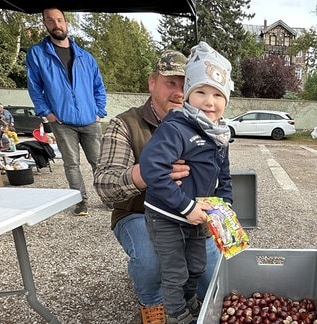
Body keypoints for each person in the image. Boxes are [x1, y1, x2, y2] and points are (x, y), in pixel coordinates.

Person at [93, 49, 220, 323]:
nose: (178, 92)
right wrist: (147, 173)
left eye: (185, 84)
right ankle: (153, 307)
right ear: (152, 83)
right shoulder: (125, 124)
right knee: (153, 261)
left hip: (188, 214)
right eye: (170, 82)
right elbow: (104, 185)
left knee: (212, 272)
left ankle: (192, 304)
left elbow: (218, 175)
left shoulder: (202, 125)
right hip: (138, 213)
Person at [139, 41, 233, 324]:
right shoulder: (177, 127)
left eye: (217, 94)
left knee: (197, 265)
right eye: (200, 92)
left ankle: (189, 299)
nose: (209, 101)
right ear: (188, 96)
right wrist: (185, 206)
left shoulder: (220, 135)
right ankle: (176, 313)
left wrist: (225, 207)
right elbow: (151, 168)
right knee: (175, 270)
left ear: (226, 100)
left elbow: (224, 175)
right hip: (166, 215)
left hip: (197, 214)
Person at [26, 7, 107, 216]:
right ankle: (80, 200)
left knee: (99, 162)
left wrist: (99, 110)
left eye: (59, 20)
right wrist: (46, 111)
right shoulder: (38, 54)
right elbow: (34, 86)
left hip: (90, 119)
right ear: (45, 24)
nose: (56, 25)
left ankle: (109, 198)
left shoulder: (85, 57)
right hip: (62, 121)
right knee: (71, 164)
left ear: (66, 22)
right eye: (50, 21)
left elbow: (99, 86)